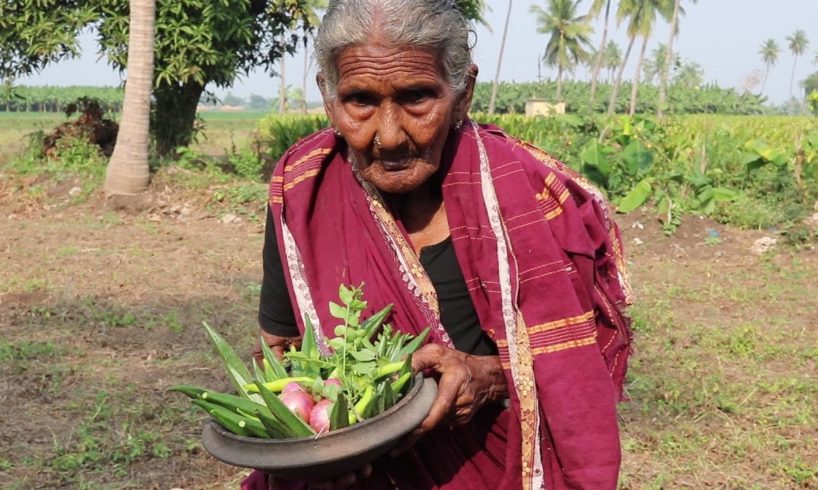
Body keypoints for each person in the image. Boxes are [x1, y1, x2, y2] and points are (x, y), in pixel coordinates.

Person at [243, 1, 633, 488]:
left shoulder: (527, 197)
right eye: (359, 101)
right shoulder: (304, 190)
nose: (389, 135)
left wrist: (489, 375)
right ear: (327, 96)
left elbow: (579, 361)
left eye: (417, 99)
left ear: (463, 92)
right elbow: (280, 354)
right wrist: (311, 452)